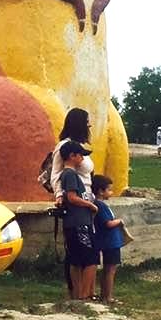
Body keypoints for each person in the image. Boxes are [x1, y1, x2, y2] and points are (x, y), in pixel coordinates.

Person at [58, 141, 99, 300]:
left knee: (75, 259)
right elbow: (72, 197)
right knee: (91, 258)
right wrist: (90, 205)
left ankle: (76, 294)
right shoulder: (71, 174)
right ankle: (85, 295)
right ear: (72, 156)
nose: (82, 158)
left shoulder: (65, 174)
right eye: (80, 155)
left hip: (72, 222)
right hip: (80, 222)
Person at [92, 174, 126, 304]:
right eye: (109, 190)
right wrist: (119, 221)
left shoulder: (98, 204)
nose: (111, 193)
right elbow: (108, 223)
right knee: (111, 270)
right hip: (110, 242)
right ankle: (108, 296)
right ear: (101, 191)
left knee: (107, 270)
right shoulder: (101, 205)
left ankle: (103, 294)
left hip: (106, 241)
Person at [49, 108, 94, 201]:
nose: (89, 125)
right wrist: (59, 195)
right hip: (74, 199)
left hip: (86, 197)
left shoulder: (79, 146)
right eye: (86, 122)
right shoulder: (64, 146)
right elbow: (56, 173)